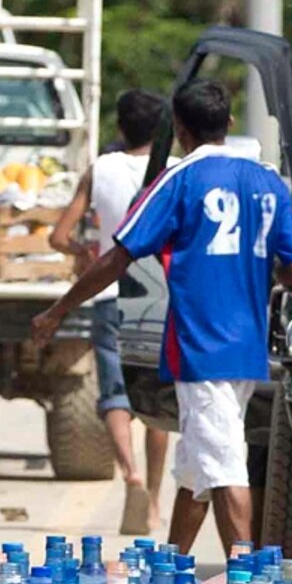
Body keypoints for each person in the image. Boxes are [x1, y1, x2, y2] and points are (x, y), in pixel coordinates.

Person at [27, 79, 292, 563]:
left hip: (201, 346)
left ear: (179, 129)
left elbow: (117, 257)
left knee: (223, 468)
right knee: (195, 468)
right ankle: (173, 567)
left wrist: (58, 310)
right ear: (230, 124)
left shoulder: (179, 181)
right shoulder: (267, 182)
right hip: (248, 347)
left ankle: (244, 581)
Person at [55, 87, 173, 536]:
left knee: (116, 395)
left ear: (120, 128)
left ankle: (131, 475)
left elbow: (59, 235)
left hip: (107, 296)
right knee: (156, 399)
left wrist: (87, 251)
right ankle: (156, 502)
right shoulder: (172, 172)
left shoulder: (99, 169)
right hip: (158, 299)